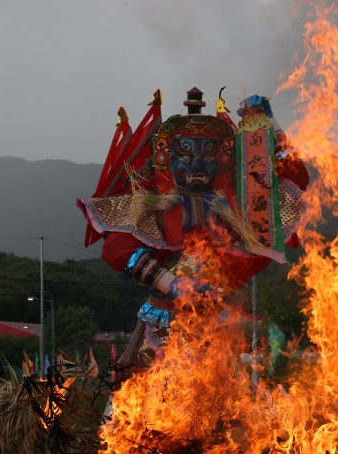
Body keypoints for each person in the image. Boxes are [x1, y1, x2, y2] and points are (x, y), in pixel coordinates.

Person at [77, 87, 309, 379]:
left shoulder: (239, 205)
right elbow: (115, 248)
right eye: (186, 157)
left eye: (207, 157)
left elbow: (295, 177)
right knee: (134, 405)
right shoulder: (151, 204)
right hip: (163, 325)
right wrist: (172, 283)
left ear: (223, 159)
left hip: (216, 325)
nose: (197, 166)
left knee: (226, 410)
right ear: (167, 159)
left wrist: (267, 127)